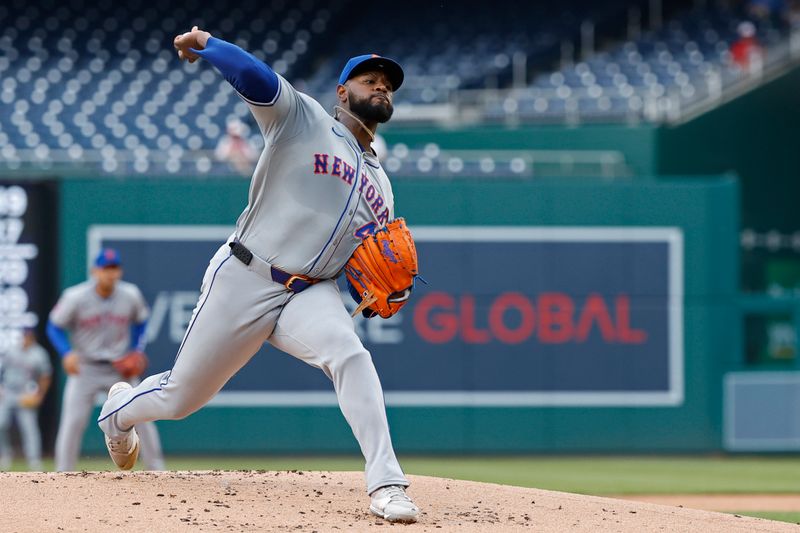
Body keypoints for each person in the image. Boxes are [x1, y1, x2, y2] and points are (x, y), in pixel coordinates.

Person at [97, 26, 419, 523]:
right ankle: (119, 411)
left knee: (351, 355)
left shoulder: (382, 180)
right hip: (247, 274)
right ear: (342, 92)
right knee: (181, 397)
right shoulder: (304, 118)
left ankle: (387, 485)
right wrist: (209, 47)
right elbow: (257, 78)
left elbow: (366, 257)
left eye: (387, 84)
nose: (381, 87)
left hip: (311, 294)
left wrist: (380, 286)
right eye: (369, 79)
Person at [47, 248, 165, 472]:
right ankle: (62, 474)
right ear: (95, 270)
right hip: (86, 368)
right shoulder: (75, 297)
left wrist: (137, 350)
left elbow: (142, 322)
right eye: (105, 268)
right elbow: (53, 326)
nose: (110, 273)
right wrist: (66, 353)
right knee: (72, 423)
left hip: (120, 369)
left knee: (144, 416)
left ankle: (156, 469)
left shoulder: (130, 294)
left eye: (114, 268)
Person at [0, 328, 52, 471]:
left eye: (28, 336)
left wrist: (40, 395)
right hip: (9, 392)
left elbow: (45, 376)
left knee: (29, 428)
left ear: (32, 337)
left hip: (26, 394)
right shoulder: (11, 351)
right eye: (24, 336)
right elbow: (1, 371)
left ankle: (34, 460)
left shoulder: (39, 354)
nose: (25, 339)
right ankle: (5, 455)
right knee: (1, 424)